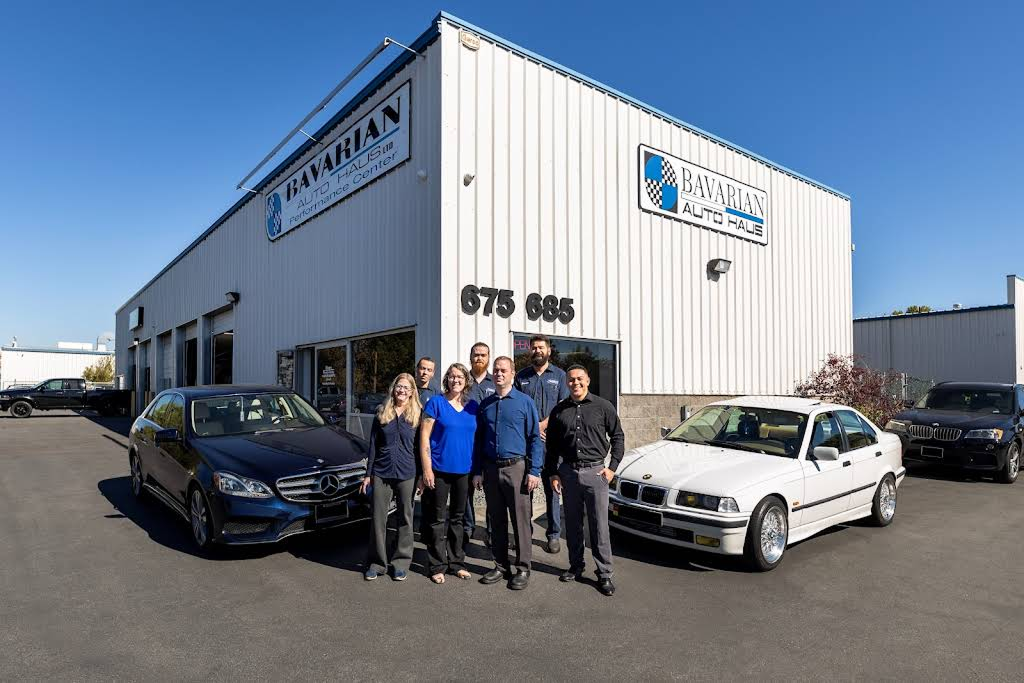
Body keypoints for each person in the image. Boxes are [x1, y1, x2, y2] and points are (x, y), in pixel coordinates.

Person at [546, 365, 624, 596]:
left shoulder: (603, 407)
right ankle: (576, 565)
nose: (575, 383)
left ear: (588, 380)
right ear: (566, 383)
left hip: (596, 474)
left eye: (580, 379)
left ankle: (604, 574)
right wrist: (553, 473)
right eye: (571, 380)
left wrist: (612, 469)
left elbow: (618, 436)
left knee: (599, 526)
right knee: (572, 524)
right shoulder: (559, 411)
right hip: (568, 473)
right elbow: (552, 447)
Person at [473, 356, 543, 590]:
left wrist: (534, 471)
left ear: (513, 373)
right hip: (491, 469)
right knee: (497, 520)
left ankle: (523, 568)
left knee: (520, 521)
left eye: (504, 370)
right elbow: (479, 440)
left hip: (517, 469)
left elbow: (535, 438)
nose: (499, 373)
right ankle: (501, 565)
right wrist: (478, 471)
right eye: (496, 370)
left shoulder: (525, 403)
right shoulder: (486, 404)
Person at [418, 363, 477, 584]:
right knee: (437, 519)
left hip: (465, 472)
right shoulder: (436, 403)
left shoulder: (473, 407)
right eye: (451, 377)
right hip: (439, 470)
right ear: (446, 380)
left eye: (460, 377)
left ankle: (457, 563)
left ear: (466, 380)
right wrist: (426, 469)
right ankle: (437, 565)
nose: (455, 380)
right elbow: (424, 438)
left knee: (458, 519)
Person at [361, 373, 421, 582]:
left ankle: (401, 563)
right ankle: (377, 563)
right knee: (378, 518)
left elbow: (421, 448)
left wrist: (421, 476)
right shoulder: (382, 412)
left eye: (406, 387)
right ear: (393, 389)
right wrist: (368, 475)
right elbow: (373, 446)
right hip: (382, 471)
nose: (402, 390)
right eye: (399, 386)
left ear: (412, 391)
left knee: (405, 517)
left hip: (407, 472)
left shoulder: (417, 415)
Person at [514, 333, 569, 554]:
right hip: (527, 445)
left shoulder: (560, 375)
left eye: (541, 347)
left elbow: (564, 405)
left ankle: (553, 534)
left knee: (552, 489)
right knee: (525, 490)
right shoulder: (521, 377)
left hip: (551, 444)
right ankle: (524, 532)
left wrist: (543, 424)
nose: (537, 351)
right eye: (534, 348)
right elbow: (516, 406)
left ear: (549, 351)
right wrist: (532, 427)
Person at [464, 342, 496, 546]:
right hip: (467, 443)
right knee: (466, 490)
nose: (479, 358)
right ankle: (468, 528)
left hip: (490, 443)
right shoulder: (462, 381)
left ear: (488, 358)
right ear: (471, 357)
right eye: (476, 355)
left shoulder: (497, 381)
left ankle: (493, 530)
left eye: (483, 355)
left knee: (492, 490)